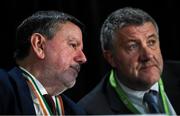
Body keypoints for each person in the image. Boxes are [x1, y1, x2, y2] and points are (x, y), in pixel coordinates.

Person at [78, 7, 180, 115]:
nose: (148, 55)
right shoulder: (89, 111)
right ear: (111, 58)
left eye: (151, 42)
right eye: (133, 46)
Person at [0, 10, 87, 115]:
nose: (83, 58)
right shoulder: (3, 88)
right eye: (73, 45)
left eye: (81, 49)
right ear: (39, 45)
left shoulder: (77, 112)